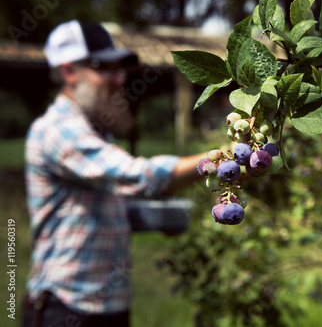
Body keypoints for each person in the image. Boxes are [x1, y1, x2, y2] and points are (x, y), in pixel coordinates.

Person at [22, 20, 205, 327]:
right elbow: (138, 175)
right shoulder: (57, 131)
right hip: (67, 307)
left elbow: (101, 205)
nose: (119, 79)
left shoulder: (93, 133)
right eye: (103, 67)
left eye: (119, 68)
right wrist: (219, 158)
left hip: (105, 306)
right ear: (69, 71)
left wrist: (154, 216)